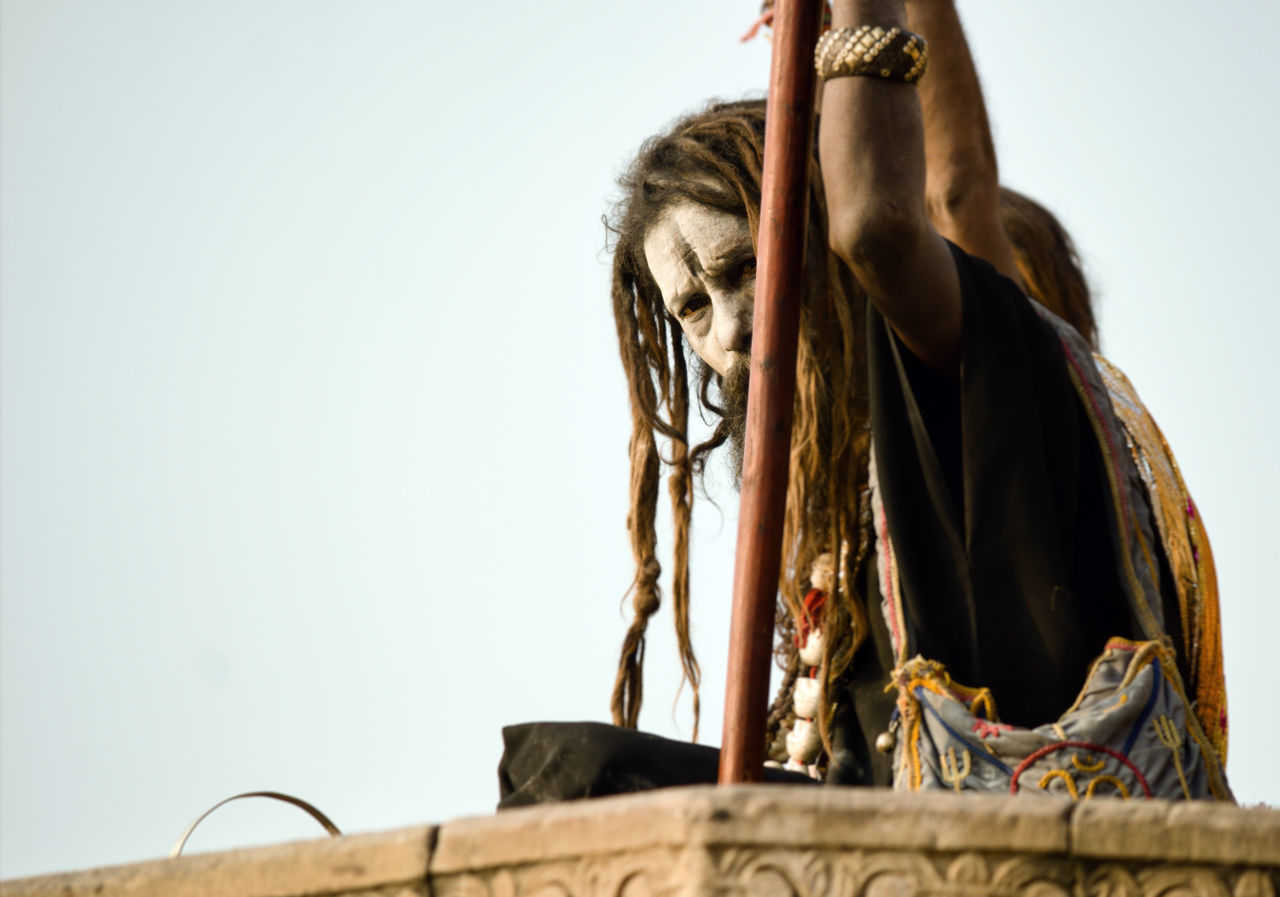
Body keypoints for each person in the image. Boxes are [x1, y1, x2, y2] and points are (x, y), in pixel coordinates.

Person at [498, 0, 1229, 804]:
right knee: (567, 772)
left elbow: (933, 204)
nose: (733, 328)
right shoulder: (849, 499)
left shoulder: (983, 373)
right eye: (694, 308)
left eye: (748, 268)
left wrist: (862, 20)